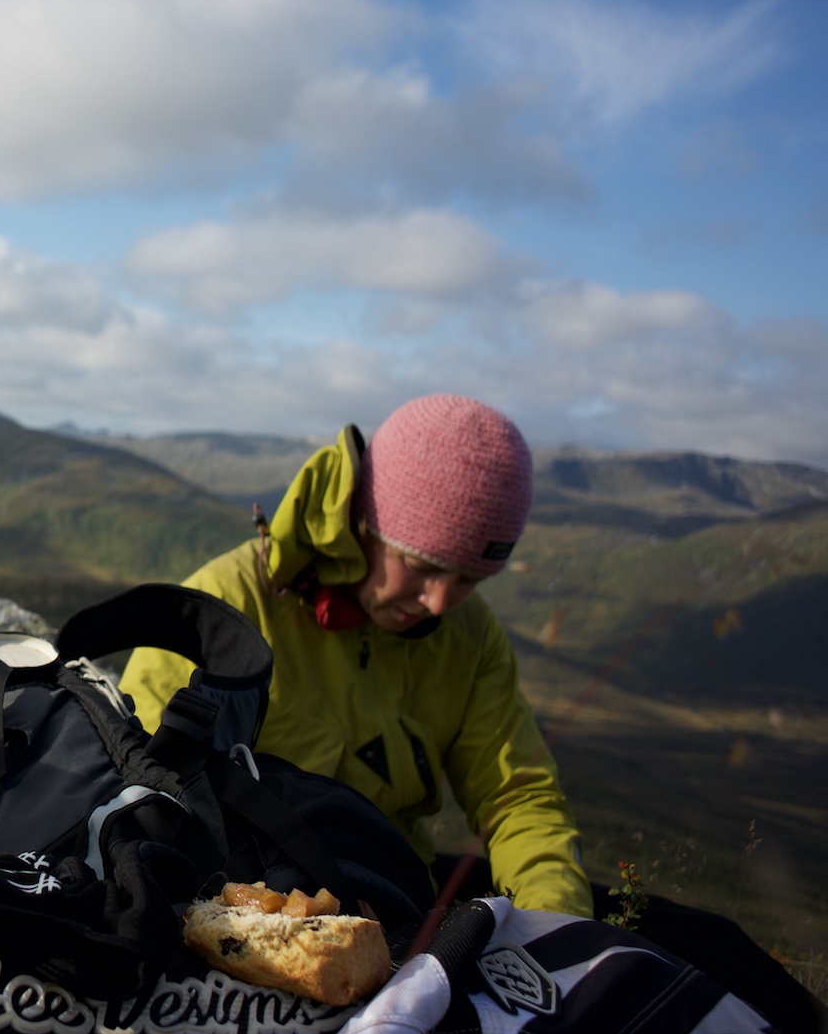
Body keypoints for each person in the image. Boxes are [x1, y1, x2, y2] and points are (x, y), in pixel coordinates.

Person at [120, 393, 592, 917]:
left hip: (400, 909)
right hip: (248, 918)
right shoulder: (222, 614)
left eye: (469, 579)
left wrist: (556, 926)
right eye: (422, 565)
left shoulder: (470, 631)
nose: (438, 601)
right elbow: (141, 796)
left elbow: (519, 798)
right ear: (366, 524)